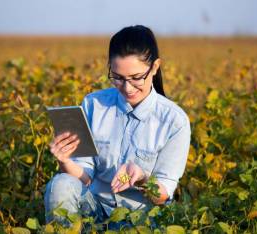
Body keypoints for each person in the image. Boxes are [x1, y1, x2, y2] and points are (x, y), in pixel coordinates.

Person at [44, 25, 191, 227]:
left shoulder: (174, 121)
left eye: (137, 78)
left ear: (155, 67)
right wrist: (64, 161)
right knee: (60, 183)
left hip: (139, 219)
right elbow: (84, 179)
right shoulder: (93, 104)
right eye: (118, 78)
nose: (127, 88)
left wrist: (141, 179)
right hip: (94, 207)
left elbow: (163, 196)